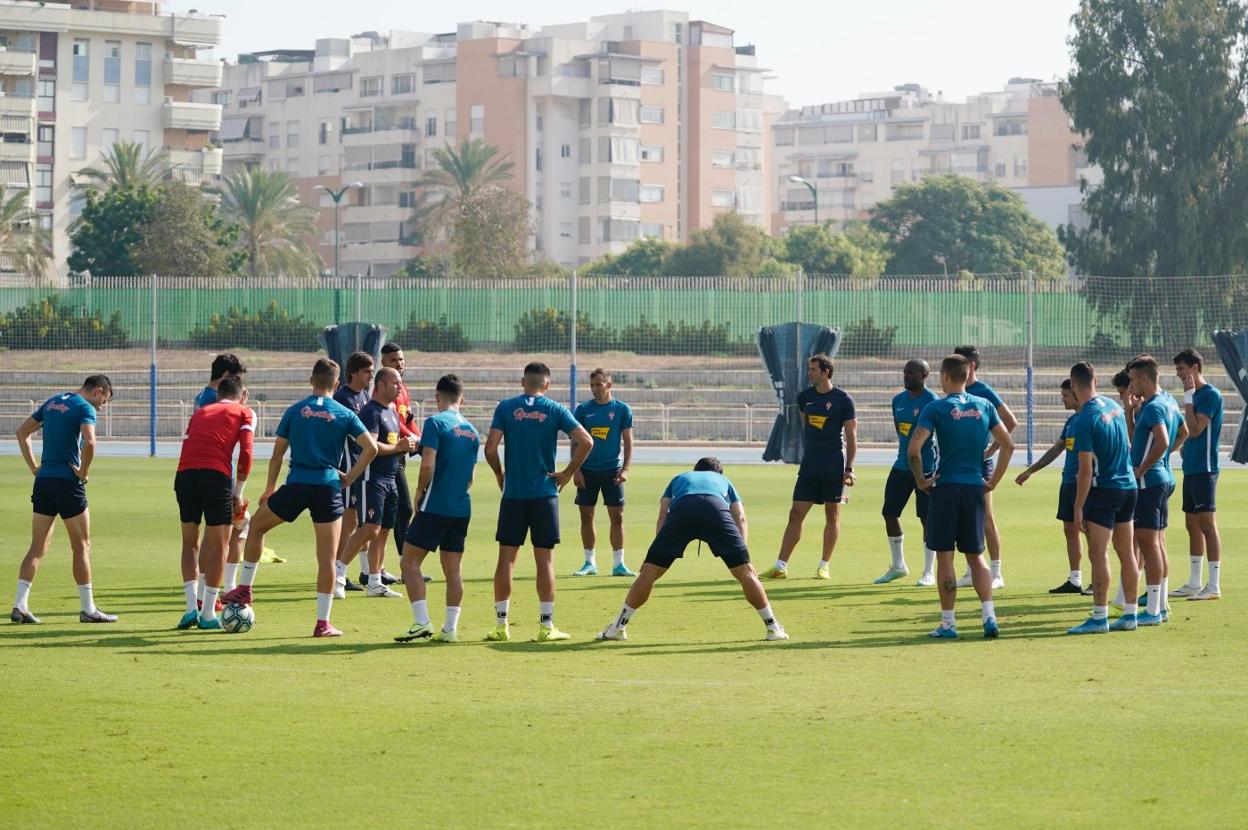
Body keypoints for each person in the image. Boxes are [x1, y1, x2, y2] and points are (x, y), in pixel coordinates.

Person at [221, 359, 378, 637]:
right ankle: (323, 623)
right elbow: (372, 449)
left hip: (297, 484)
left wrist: (270, 488)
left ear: (311, 381)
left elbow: (277, 455)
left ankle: (245, 588)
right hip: (328, 487)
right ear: (337, 384)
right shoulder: (344, 413)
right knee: (327, 559)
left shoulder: (295, 410)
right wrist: (350, 478)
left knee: (255, 527)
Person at [597, 457, 787, 642]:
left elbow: (663, 515)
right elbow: (741, 517)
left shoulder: (680, 478)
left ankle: (617, 628)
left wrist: (655, 553)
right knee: (747, 573)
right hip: (716, 509)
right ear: (719, 473)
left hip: (683, 510)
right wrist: (742, 555)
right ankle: (773, 628)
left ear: (695, 470)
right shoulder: (724, 480)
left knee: (649, 572)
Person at [483, 362, 593, 642]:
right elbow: (586, 441)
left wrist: (499, 474)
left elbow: (490, 448)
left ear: (523, 382)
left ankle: (501, 625)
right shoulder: (555, 409)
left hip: (514, 495)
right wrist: (568, 473)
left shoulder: (506, 407)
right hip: (545, 494)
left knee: (506, 558)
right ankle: (546, 626)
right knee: (544, 560)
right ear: (548, 384)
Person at [906, 355, 1013, 639]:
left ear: (944, 377)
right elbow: (1008, 444)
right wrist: (992, 481)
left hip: (947, 488)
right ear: (967, 376)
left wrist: (921, 480)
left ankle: (948, 623)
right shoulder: (984, 405)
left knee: (945, 557)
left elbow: (914, 449)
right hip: (974, 488)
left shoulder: (936, 408)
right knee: (976, 556)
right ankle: (989, 617)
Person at [11, 375, 116, 625]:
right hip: (68, 483)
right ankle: (88, 609)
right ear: (97, 391)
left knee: (37, 547)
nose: (102, 407)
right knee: (82, 546)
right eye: (104, 401)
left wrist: (35, 468)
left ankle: (20, 605)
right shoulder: (85, 408)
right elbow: (90, 442)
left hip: (44, 482)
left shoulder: (52, 402)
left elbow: (22, 432)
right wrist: (84, 472)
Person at [395, 374, 480, 643]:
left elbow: (428, 463)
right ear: (462, 399)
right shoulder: (472, 431)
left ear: (436, 396)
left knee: (408, 561)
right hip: (461, 507)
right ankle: (450, 629)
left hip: (436, 505)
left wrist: (420, 490)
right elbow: (470, 478)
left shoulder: (435, 423)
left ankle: (421, 622)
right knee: (453, 570)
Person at [762, 354, 857, 581]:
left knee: (832, 514)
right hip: (810, 464)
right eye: (809, 369)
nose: (809, 373)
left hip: (835, 464)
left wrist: (849, 468)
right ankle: (780, 566)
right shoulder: (805, 397)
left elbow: (852, 437)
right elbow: (807, 427)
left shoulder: (844, 400)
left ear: (826, 372)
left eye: (813, 369)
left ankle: (824, 566)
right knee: (795, 514)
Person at [1066, 361, 1141, 634]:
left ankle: (1099, 617)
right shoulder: (1113, 406)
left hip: (1104, 490)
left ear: (1074, 385)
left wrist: (1078, 507)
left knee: (1098, 554)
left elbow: (1085, 471)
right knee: (1127, 553)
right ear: (1095, 381)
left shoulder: (1084, 419)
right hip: (1128, 486)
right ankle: (1130, 614)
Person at [174, 375, 254, 631]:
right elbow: (247, 453)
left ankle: (190, 609)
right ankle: (208, 613)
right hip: (215, 476)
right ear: (243, 395)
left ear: (218, 395)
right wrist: (238, 492)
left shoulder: (201, 411)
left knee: (190, 543)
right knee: (220, 547)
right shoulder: (244, 412)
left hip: (184, 475)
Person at [334, 367, 418, 599]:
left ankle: (374, 581)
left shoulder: (392, 412)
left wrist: (404, 446)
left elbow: (391, 444)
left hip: (390, 478)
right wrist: (398, 447)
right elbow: (370, 446)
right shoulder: (371, 411)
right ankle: (338, 574)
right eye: (395, 383)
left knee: (383, 531)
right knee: (369, 528)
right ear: (381, 385)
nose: (399, 387)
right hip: (372, 478)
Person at [1014, 379, 1090, 595]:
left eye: (1066, 395)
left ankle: (1097, 581)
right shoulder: (1071, 421)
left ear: (1077, 393)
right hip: (1068, 482)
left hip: (1085, 483)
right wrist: (1031, 470)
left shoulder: (1089, 419)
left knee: (1090, 532)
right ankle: (1075, 580)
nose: (1062, 399)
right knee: (1070, 529)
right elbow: (1057, 449)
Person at [1126, 355, 1186, 626]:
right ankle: (1160, 606)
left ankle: (1152, 611)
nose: (1131, 385)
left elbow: (1161, 441)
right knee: (1158, 542)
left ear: (1144, 378)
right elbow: (1183, 432)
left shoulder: (1153, 407)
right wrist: (1129, 413)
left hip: (1149, 483)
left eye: (1132, 379)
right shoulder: (1168, 401)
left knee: (1148, 544)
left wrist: (1142, 468)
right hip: (1163, 479)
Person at [950, 346, 1015, 591]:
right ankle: (971, 570)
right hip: (959, 463)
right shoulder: (955, 390)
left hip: (979, 465)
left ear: (971, 365)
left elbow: (1010, 421)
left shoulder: (983, 392)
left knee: (986, 516)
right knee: (965, 517)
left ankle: (996, 572)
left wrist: (991, 450)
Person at [878, 359, 939, 585]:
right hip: (902, 466)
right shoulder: (898, 401)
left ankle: (928, 572)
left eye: (911, 372)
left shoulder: (933, 402)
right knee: (889, 513)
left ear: (924, 375)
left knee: (927, 519)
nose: (906, 375)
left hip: (926, 468)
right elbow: (901, 432)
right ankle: (898, 566)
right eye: (904, 372)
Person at [571, 368, 636, 578]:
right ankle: (589, 563)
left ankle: (619, 564)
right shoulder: (583, 410)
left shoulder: (622, 410)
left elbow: (628, 442)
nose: (594, 388)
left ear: (609, 385)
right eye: (591, 385)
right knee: (586, 516)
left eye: (598, 384)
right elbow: (575, 442)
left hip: (612, 470)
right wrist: (576, 470)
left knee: (617, 516)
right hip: (587, 470)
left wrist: (625, 469)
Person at [1172, 348, 1224, 600]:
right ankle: (1194, 582)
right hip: (1192, 468)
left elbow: (1194, 429)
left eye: (1182, 368)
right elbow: (1190, 435)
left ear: (1195, 367)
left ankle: (1213, 585)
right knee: (1191, 524)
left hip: (1205, 469)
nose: (1179, 374)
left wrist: (1188, 396)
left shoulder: (1209, 395)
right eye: (1177, 370)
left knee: (1207, 525)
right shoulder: (1194, 396)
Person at [331, 352, 384, 591]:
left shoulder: (363, 395)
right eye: (366, 372)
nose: (371, 376)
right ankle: (337, 572)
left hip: (360, 465)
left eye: (372, 371)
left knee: (361, 521)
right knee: (350, 521)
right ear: (353, 373)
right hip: (347, 467)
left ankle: (364, 572)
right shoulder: (343, 397)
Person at [380, 342, 422, 571]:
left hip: (399, 454)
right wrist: (415, 440)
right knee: (403, 509)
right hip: (387, 457)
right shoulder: (383, 391)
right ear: (383, 362)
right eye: (394, 360)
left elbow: (407, 420)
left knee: (395, 512)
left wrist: (420, 438)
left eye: (401, 359)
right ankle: (406, 566)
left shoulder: (403, 389)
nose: (400, 363)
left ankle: (378, 569)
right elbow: (394, 422)